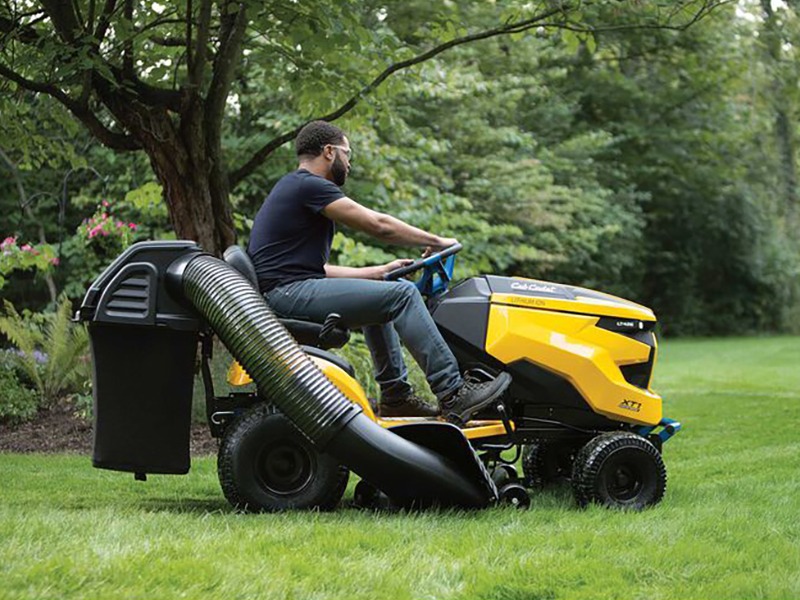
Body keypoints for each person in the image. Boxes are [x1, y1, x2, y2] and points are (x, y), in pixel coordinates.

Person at [248, 120, 509, 424]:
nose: (349, 163)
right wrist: (436, 241)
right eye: (348, 154)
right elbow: (378, 226)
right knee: (403, 295)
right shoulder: (309, 185)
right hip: (288, 295)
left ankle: (396, 397)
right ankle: (454, 393)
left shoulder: (294, 186)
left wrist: (378, 271)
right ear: (329, 152)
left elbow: (313, 270)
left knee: (387, 287)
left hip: (288, 291)